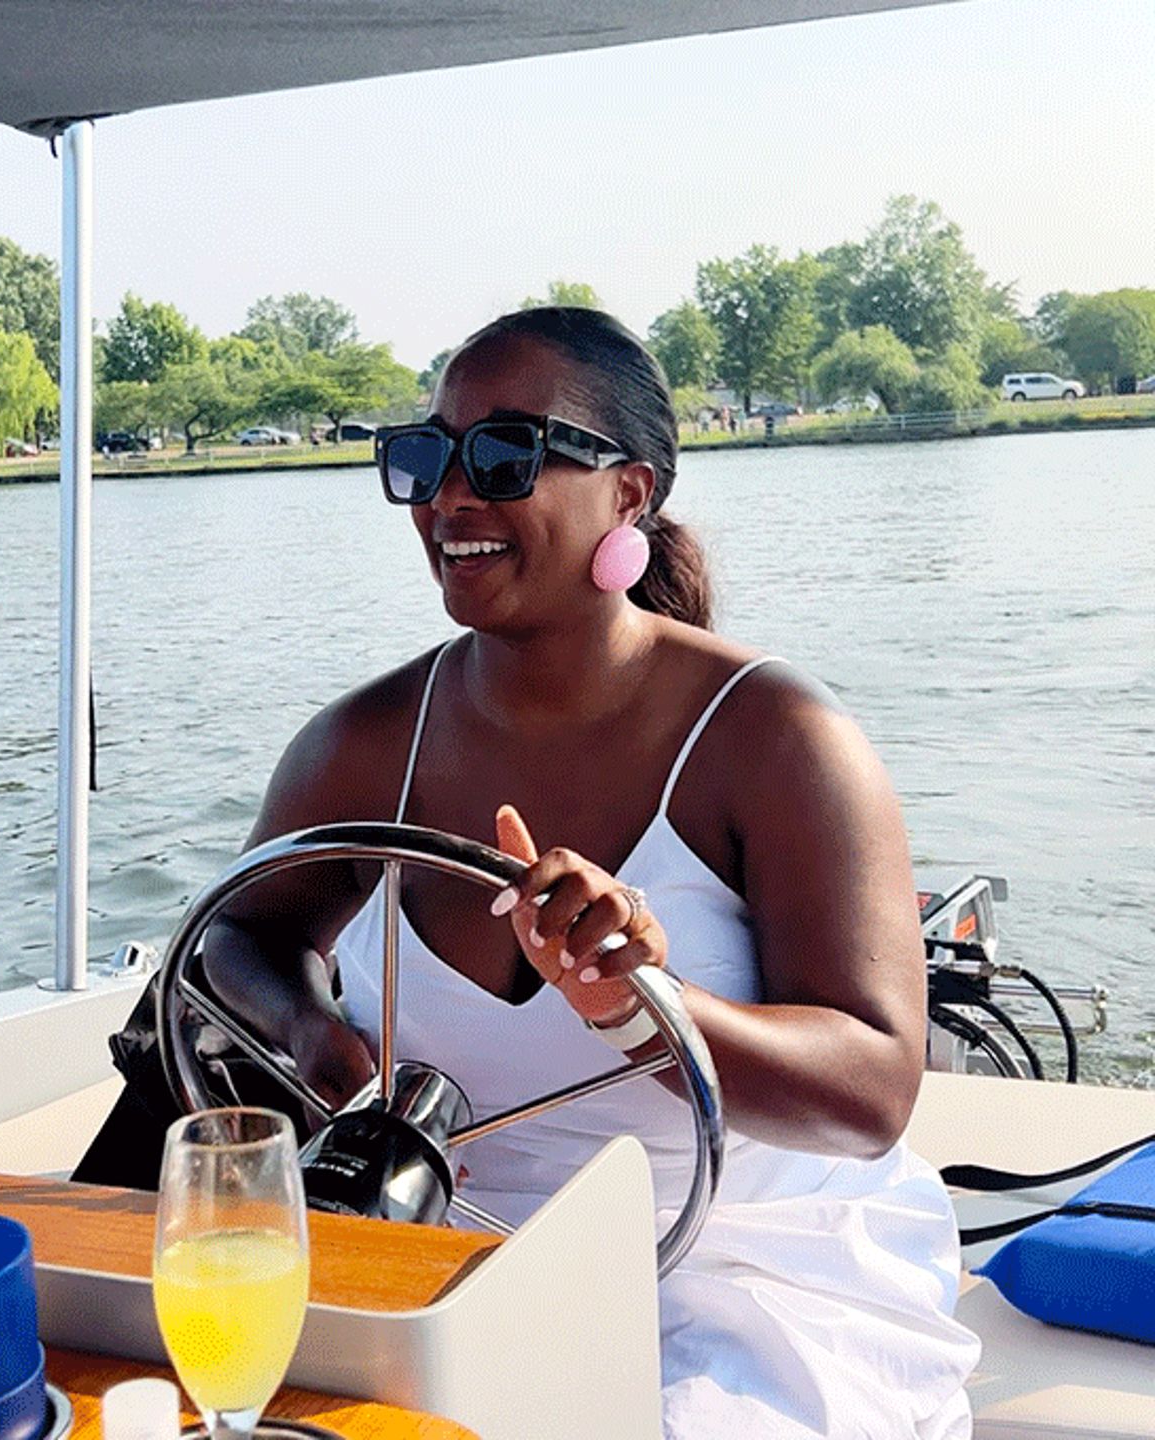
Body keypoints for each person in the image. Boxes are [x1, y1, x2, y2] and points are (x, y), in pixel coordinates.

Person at [203, 306, 978, 1439]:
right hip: (432, 1250)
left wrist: (639, 1004)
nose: (449, 496)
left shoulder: (778, 740)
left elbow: (871, 1096)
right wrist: (311, 1035)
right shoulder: (363, 745)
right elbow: (240, 936)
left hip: (736, 1273)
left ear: (630, 492)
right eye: (422, 455)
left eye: (504, 454)